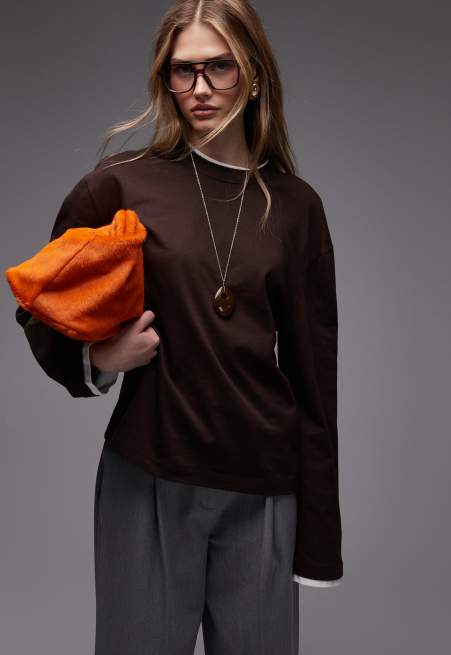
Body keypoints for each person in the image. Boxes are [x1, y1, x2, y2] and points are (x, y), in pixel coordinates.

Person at [15, 1, 343, 653]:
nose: (199, 87)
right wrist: (101, 359)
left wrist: (318, 538)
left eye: (219, 67)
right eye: (182, 69)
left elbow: (314, 379)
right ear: (164, 77)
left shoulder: (295, 207)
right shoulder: (120, 185)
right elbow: (40, 304)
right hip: (148, 473)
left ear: (254, 73)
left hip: (262, 487)